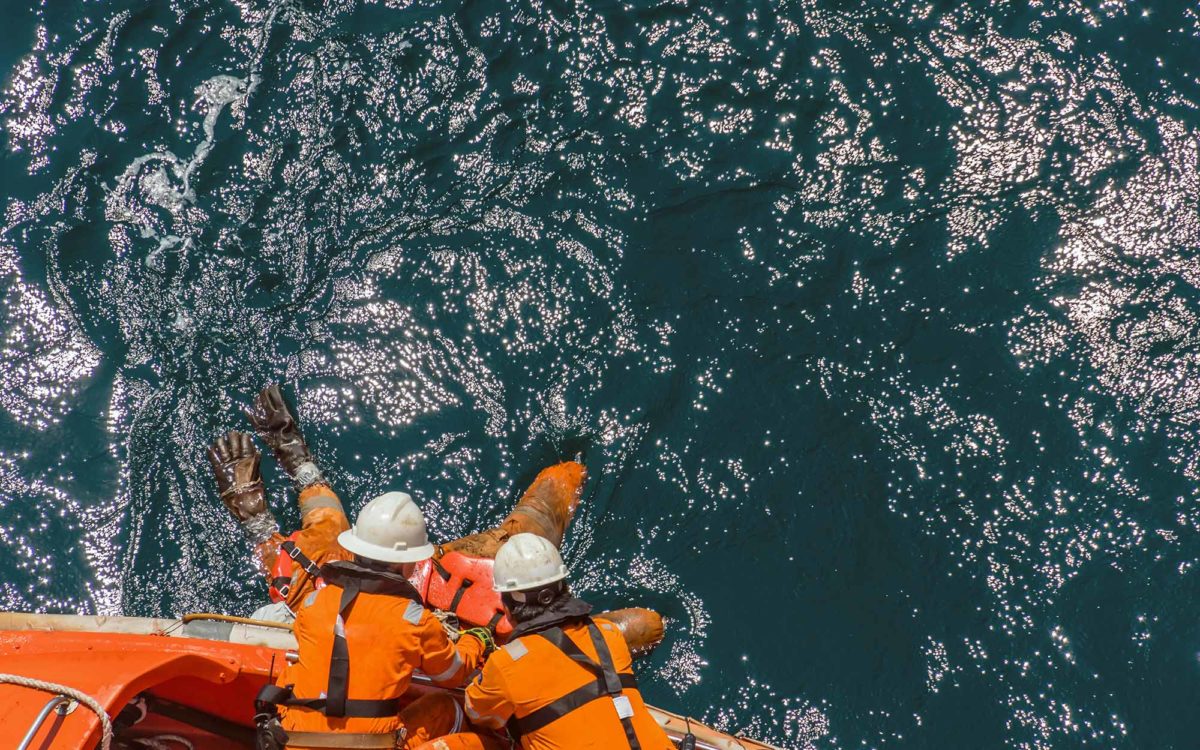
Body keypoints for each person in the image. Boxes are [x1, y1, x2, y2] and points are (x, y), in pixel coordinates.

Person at [208, 385, 666, 655]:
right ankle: (287, 461)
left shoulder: (317, 591)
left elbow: (305, 538)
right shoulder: (354, 603)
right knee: (538, 514)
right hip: (454, 593)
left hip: (433, 590)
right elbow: (645, 624)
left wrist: (254, 509)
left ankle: (279, 471)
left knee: (304, 544)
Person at [255, 492, 494, 749]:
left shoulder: (313, 603)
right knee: (446, 708)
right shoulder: (415, 620)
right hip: (371, 745)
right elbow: (452, 674)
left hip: (294, 742)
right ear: (406, 564)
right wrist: (476, 640)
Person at [425, 533, 676, 750]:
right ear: (563, 586)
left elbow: (477, 714)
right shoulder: (608, 633)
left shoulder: (506, 665)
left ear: (507, 604)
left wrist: (476, 642)